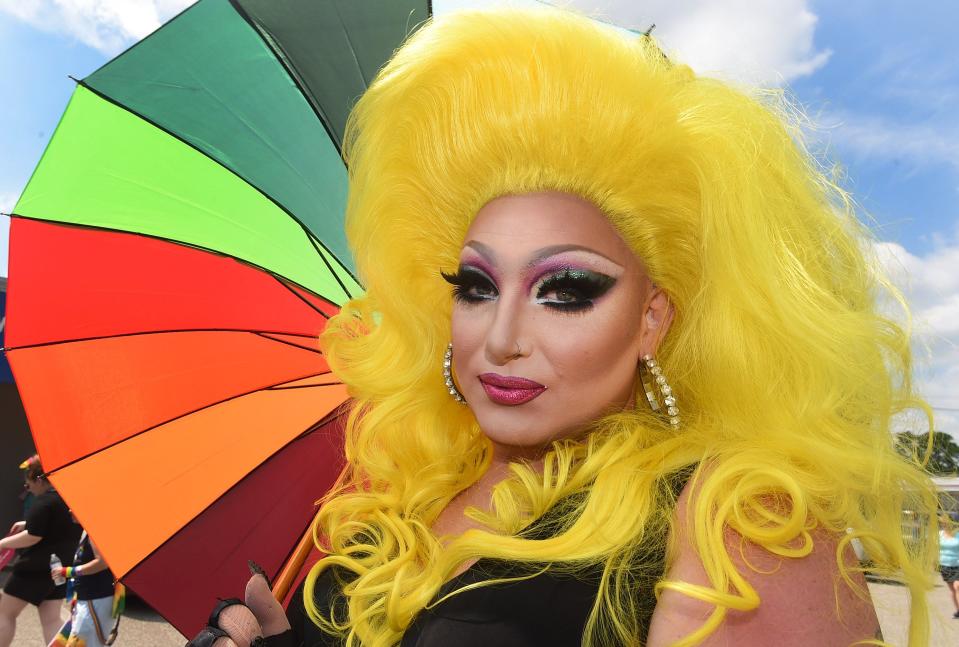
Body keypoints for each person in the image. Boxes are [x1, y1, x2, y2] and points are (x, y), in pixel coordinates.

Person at [188, 7, 938, 646]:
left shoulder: (735, 520)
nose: (502, 335)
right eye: (476, 285)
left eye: (567, 289)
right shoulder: (405, 497)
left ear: (652, 319)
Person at [0, 455, 80, 647]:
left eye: (29, 485)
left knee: (5, 613)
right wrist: (28, 523)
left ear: (38, 479)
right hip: (59, 568)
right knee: (51, 619)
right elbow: (56, 525)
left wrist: (2, 543)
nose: (30, 490)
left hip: (33, 567)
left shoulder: (44, 502)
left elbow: (33, 536)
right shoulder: (67, 499)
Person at [48, 523, 122, 647]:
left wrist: (68, 571)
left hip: (96, 600)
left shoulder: (96, 529)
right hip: (89, 600)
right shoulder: (88, 530)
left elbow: (102, 562)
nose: (70, 511)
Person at [939, 514, 959, 620]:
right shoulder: (939, 535)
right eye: (943, 523)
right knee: (952, 590)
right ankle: (958, 610)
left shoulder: (958, 534)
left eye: (946, 523)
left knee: (957, 586)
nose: (945, 525)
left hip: (957, 564)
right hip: (945, 565)